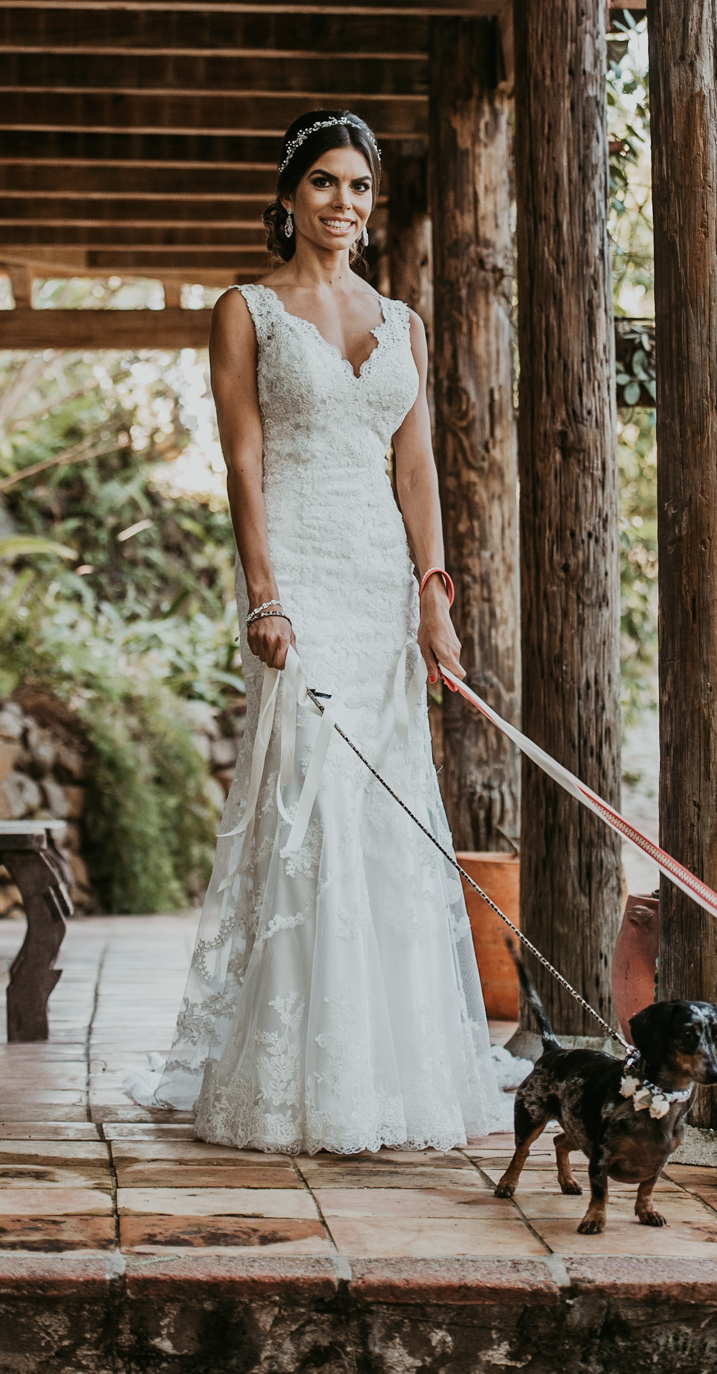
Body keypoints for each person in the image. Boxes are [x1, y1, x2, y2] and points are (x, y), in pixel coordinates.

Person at [127, 109, 505, 1153]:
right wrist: (263, 590)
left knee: (387, 817)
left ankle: (394, 1070)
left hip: (380, 580)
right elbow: (240, 460)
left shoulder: (403, 323)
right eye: (327, 183)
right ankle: (298, 1073)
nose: (345, 205)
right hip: (298, 572)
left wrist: (432, 590)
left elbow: (417, 467)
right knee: (312, 801)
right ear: (290, 194)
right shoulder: (244, 311)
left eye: (360, 189)